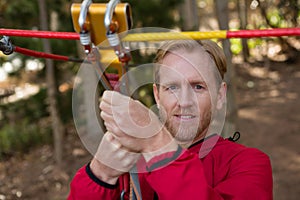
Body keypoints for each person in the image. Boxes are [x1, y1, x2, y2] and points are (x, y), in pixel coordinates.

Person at [68, 40, 273, 200]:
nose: (184, 102)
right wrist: (100, 174)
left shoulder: (248, 164)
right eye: (172, 87)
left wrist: (157, 143)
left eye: (198, 87)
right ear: (157, 95)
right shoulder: (128, 161)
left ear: (219, 96)